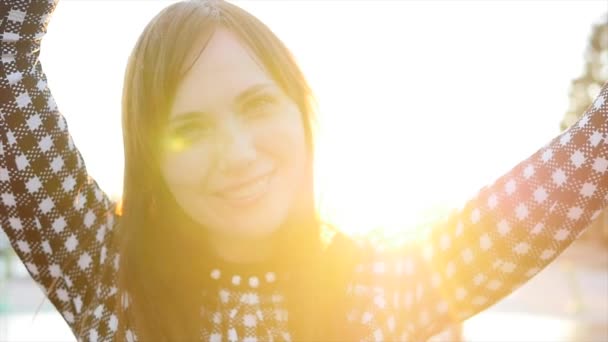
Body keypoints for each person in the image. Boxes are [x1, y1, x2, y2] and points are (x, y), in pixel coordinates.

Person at [1, 0, 607, 341]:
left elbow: (587, 161)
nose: (237, 154)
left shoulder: (387, 285)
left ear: (303, 113)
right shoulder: (106, 272)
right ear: (151, 161)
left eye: (257, 105)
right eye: (189, 129)